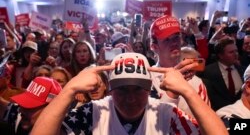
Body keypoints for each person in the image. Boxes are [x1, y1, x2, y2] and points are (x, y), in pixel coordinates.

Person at [31, 53, 227, 135]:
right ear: (110, 89)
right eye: (122, 89)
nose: (131, 98)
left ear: (150, 89)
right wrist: (69, 89)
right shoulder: (93, 113)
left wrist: (187, 91)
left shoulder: (166, 115)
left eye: (138, 89)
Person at [149, 15, 210, 116]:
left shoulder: (197, 82)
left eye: (176, 37)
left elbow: (206, 122)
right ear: (154, 47)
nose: (174, 42)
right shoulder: (148, 79)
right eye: (167, 39)